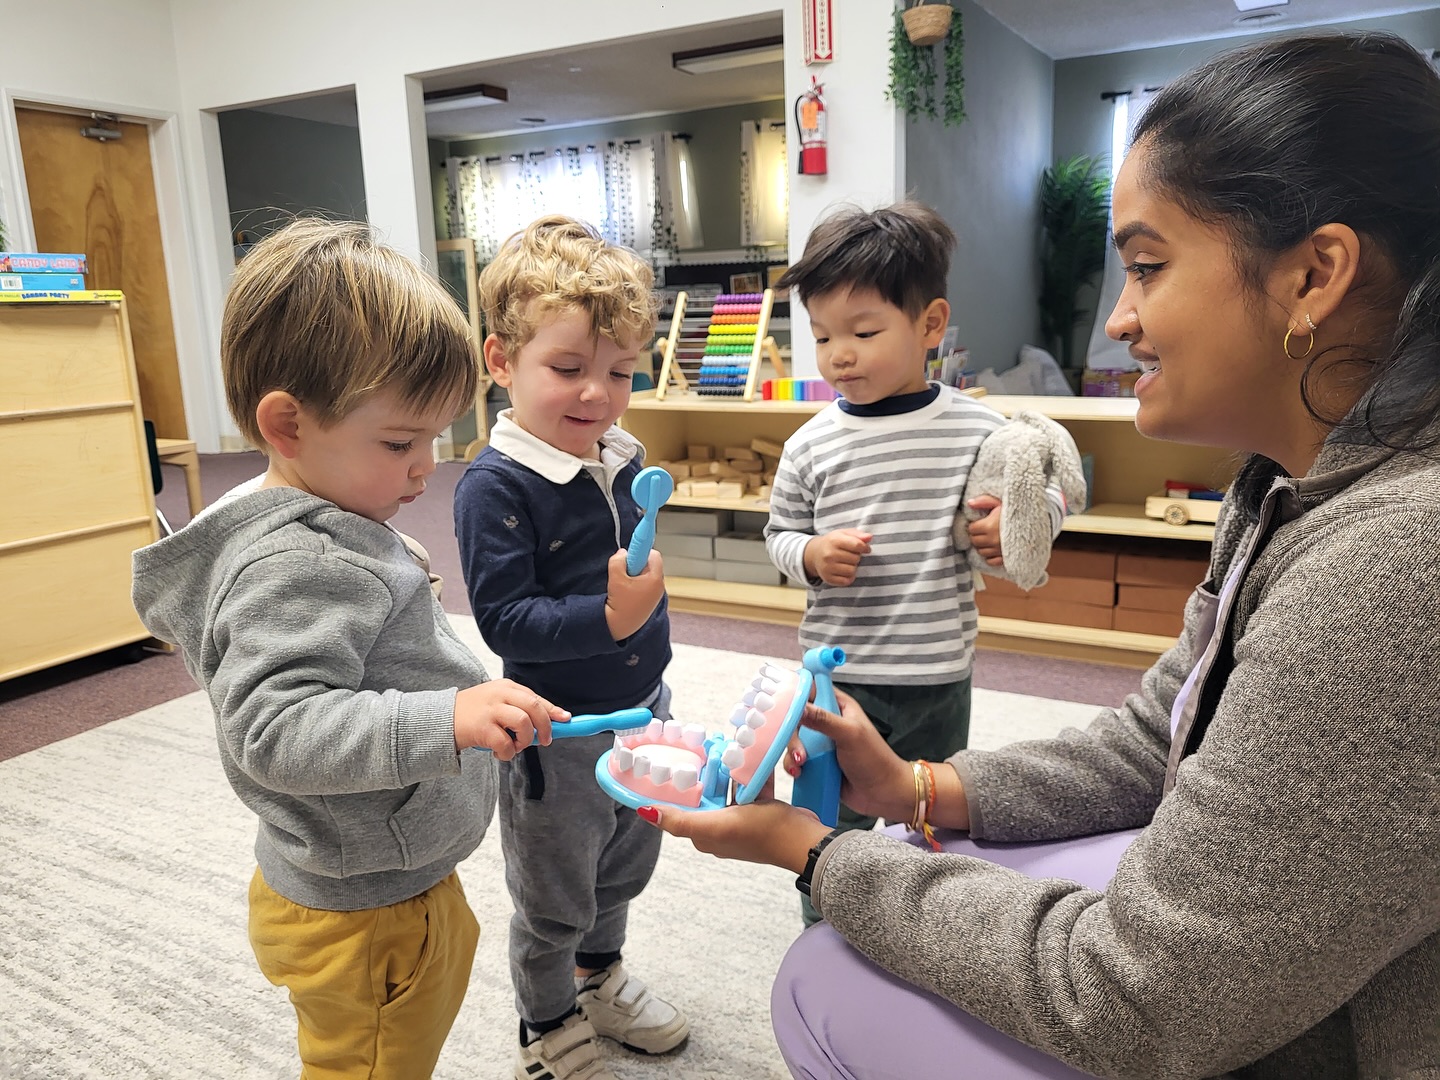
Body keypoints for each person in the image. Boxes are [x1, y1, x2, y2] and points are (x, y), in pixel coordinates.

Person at [640, 31, 1440, 1080]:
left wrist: (816, 854)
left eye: (1149, 266)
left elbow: (1134, 996)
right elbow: (1163, 739)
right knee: (910, 864)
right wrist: (924, 789)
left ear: (1316, 275)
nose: (1122, 317)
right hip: (857, 665)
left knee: (824, 974)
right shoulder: (1284, 487)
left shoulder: (1389, 569)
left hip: (955, 686)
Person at [131, 219, 569, 1079]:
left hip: (382, 864)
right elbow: (274, 730)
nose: (423, 471)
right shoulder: (299, 561)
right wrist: (447, 716)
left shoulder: (325, 519)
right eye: (401, 443)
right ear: (287, 425)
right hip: (363, 912)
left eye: (435, 439)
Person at [763, 201, 1070, 924]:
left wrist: (1022, 525)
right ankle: (825, 929)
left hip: (936, 671)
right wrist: (809, 553)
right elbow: (778, 535)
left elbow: (1043, 488)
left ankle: (913, 929)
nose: (840, 353)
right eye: (822, 336)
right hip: (838, 675)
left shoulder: (980, 427)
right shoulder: (810, 444)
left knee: (924, 817)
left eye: (864, 332)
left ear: (930, 325)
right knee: (829, 825)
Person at [454, 216, 688, 1080]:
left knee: (626, 860)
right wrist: (611, 619)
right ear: (500, 361)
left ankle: (600, 977)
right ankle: (544, 1020)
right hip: (557, 729)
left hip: (644, 708)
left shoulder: (619, 456)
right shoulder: (495, 485)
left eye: (621, 372)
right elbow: (507, 622)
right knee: (555, 893)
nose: (597, 393)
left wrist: (642, 636)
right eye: (567, 368)